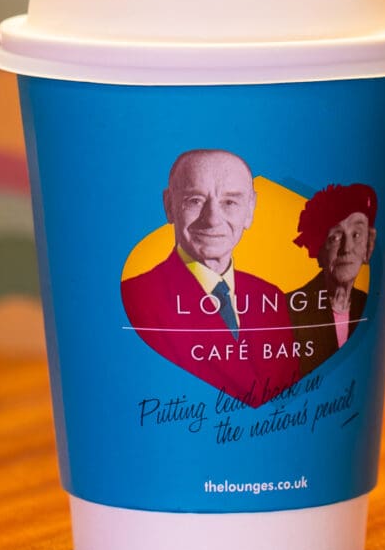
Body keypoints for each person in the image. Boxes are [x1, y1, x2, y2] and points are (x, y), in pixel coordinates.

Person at [122, 148, 310, 406]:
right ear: (169, 205)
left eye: (230, 202)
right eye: (195, 200)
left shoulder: (268, 295)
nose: (212, 219)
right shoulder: (138, 296)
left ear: (250, 210)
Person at [290, 184, 378, 351]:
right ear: (318, 248)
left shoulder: (368, 304)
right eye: (335, 237)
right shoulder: (290, 313)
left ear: (369, 245)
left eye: (356, 235)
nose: (346, 248)